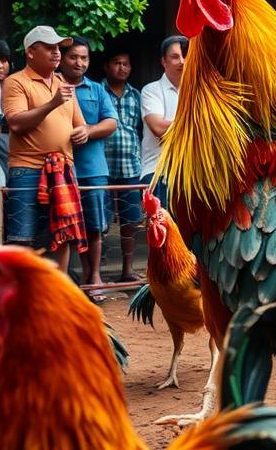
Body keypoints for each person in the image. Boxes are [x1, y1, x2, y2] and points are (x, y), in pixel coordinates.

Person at [1, 25, 86, 275]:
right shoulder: (16, 81)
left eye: (58, 48)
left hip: (63, 169)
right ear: (31, 52)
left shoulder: (62, 81)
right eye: (49, 48)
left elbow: (80, 124)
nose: (56, 53)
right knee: (22, 237)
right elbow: (15, 122)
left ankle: (57, 296)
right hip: (27, 169)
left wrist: (85, 132)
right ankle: (24, 298)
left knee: (63, 234)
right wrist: (52, 103)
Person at [57, 37, 118, 298]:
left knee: (94, 226)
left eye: (84, 58)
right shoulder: (51, 86)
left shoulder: (96, 90)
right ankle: (64, 283)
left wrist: (89, 130)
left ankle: (93, 276)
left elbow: (111, 122)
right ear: (61, 58)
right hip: (58, 169)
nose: (79, 63)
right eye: (74, 57)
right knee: (65, 228)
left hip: (93, 169)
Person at [101, 47, 143, 283]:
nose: (122, 68)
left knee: (131, 220)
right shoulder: (98, 91)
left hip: (130, 166)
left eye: (125, 63)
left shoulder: (135, 95)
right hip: (103, 166)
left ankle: (128, 270)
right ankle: (99, 269)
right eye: (117, 63)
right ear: (106, 66)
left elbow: (139, 128)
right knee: (102, 221)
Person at [141, 35, 188, 202]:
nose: (182, 61)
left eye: (185, 56)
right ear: (163, 61)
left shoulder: (198, 93)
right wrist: (197, 127)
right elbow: (159, 128)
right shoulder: (151, 90)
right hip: (158, 171)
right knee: (162, 227)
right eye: (175, 57)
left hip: (191, 173)